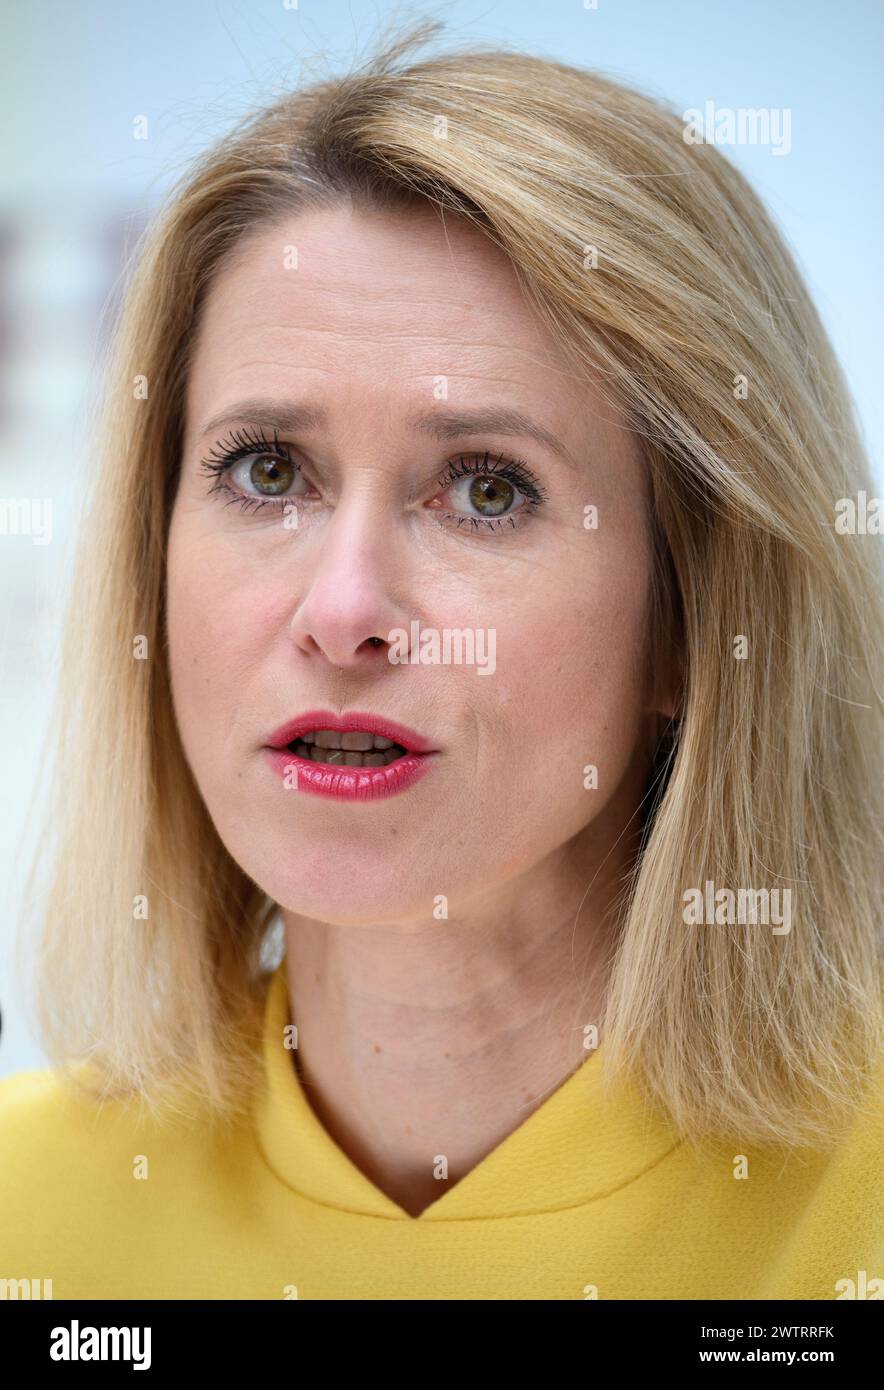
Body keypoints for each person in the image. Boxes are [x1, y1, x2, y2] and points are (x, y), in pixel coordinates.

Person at [1, 21, 881, 1299]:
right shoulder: (28, 1217)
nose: (344, 610)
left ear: (696, 617)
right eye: (266, 472)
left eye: (483, 490)